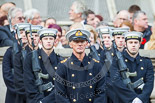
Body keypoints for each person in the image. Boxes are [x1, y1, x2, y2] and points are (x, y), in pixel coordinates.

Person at [55, 28, 106, 103]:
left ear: (86, 43)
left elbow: (101, 92)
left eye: (82, 41)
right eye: (76, 41)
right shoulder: (63, 66)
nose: (80, 44)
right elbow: (60, 94)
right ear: (70, 44)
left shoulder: (96, 65)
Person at [107, 31, 154, 103]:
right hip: (123, 100)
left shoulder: (146, 62)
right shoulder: (116, 61)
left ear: (139, 44)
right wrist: (133, 99)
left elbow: (149, 83)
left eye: (136, 42)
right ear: (125, 44)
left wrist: (140, 98)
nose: (133, 45)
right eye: (130, 42)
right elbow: (116, 83)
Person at [24, 28, 63, 103]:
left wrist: (45, 101)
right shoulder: (31, 57)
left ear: (55, 41)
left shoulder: (60, 60)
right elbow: (28, 82)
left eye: (51, 39)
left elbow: (60, 87)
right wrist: (39, 101)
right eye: (45, 39)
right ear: (40, 41)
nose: (48, 41)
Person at [14, 24, 42, 103]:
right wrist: (33, 97)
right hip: (25, 98)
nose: (34, 39)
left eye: (36, 36)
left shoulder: (44, 55)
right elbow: (19, 81)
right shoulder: (19, 56)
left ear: (40, 38)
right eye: (31, 36)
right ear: (27, 38)